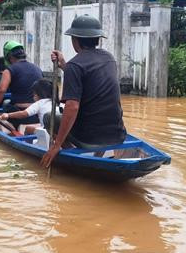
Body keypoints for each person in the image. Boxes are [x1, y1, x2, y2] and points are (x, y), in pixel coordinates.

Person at [41, 15, 126, 168]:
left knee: (49, 118)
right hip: (118, 134)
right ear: (97, 39)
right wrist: (64, 65)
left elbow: (72, 107)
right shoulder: (109, 58)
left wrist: (56, 145)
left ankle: (75, 154)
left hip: (89, 137)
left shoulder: (76, 65)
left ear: (75, 40)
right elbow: (88, 79)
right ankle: (97, 156)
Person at [0, 40, 42, 125]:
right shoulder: (37, 68)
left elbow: (1, 90)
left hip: (20, 114)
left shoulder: (9, 70)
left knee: (6, 103)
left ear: (8, 56)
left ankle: (9, 126)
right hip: (36, 113)